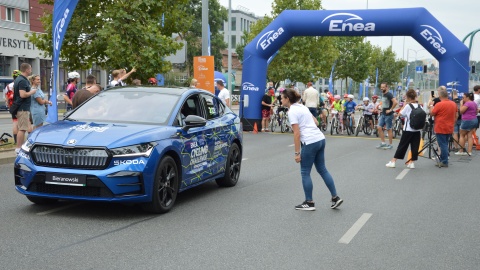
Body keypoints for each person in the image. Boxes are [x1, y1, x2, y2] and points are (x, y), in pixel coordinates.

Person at [280, 88, 343, 211]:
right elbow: (315, 122)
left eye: (282, 98)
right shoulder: (302, 107)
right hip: (320, 138)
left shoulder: (292, 111)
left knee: (305, 172)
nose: (280, 100)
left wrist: (297, 153)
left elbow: (297, 134)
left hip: (310, 142)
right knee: (322, 169)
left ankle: (309, 202)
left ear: (287, 99)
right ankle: (335, 197)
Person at [385, 89, 421, 169]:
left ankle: (393, 161)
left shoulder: (408, 106)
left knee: (402, 146)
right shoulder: (419, 106)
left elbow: (400, 114)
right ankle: (412, 162)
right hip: (417, 130)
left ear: (408, 97)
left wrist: (404, 104)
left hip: (408, 129)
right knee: (415, 146)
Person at [430, 86, 457, 167]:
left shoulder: (439, 104)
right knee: (445, 143)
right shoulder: (453, 104)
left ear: (440, 96)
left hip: (441, 126)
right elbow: (456, 114)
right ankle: (442, 159)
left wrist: (431, 105)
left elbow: (432, 113)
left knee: (443, 145)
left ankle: (444, 161)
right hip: (450, 126)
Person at [13, 63, 36, 153]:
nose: (31, 70)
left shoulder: (19, 79)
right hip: (22, 108)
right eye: (30, 69)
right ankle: (19, 148)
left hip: (21, 107)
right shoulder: (22, 80)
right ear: (27, 70)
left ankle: (19, 147)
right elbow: (22, 94)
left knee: (22, 127)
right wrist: (32, 92)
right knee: (22, 129)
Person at [455, 92, 478, 156]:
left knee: (462, 135)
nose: (462, 99)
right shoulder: (474, 103)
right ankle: (469, 151)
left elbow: (461, 111)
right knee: (469, 136)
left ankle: (461, 151)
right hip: (474, 119)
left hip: (467, 120)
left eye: (463, 97)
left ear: (467, 97)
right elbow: (476, 112)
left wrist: (461, 104)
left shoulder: (467, 103)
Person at [376, 83, 398, 149]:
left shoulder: (389, 94)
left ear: (386, 87)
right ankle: (383, 143)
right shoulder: (384, 94)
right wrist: (381, 108)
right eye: (381, 87)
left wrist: (390, 110)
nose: (382, 88)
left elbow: (395, 102)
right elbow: (385, 103)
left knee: (389, 129)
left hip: (388, 115)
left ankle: (390, 144)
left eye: (383, 87)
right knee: (379, 127)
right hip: (383, 114)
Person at [4, 70, 21, 144]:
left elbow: (6, 97)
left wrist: (8, 106)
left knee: (15, 122)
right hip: (21, 105)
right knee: (25, 123)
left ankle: (16, 141)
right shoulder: (20, 84)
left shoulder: (8, 86)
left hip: (13, 106)